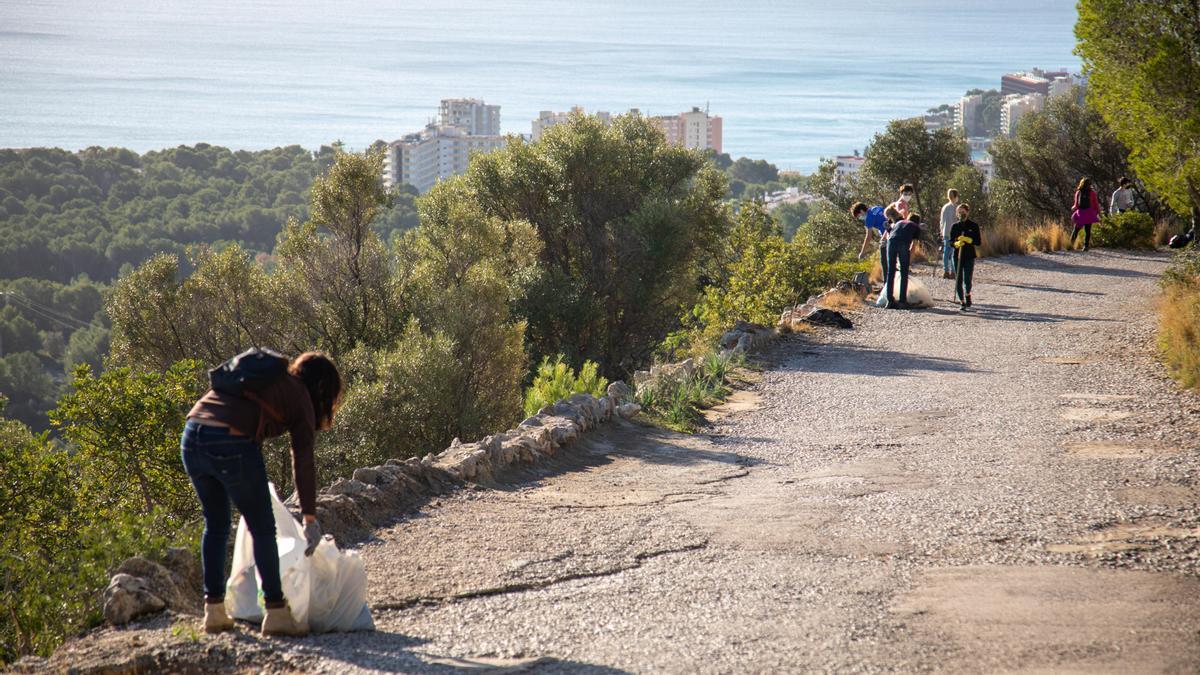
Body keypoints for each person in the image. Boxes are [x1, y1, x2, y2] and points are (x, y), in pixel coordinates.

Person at [182, 351, 343, 636]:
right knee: (263, 528)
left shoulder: (269, 380)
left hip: (193, 434)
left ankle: (214, 612)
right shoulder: (301, 396)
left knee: (216, 525)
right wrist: (309, 518)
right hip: (231, 442)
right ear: (322, 387)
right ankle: (276, 612)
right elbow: (303, 460)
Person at [949, 203, 983, 310]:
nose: (961, 214)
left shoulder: (973, 226)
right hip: (957, 256)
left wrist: (969, 240)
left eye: (963, 212)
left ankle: (968, 293)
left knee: (967, 279)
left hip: (969, 255)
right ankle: (962, 302)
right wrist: (956, 244)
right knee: (958, 278)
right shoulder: (955, 226)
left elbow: (978, 242)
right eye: (959, 212)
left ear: (967, 212)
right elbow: (951, 241)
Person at [886, 212, 922, 308]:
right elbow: (913, 246)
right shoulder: (916, 227)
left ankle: (889, 301)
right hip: (903, 243)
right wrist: (909, 260)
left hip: (891, 242)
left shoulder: (899, 222)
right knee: (904, 272)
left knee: (891, 272)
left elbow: (889, 232)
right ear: (918, 222)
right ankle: (902, 301)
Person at [1070, 177, 1101, 251]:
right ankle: (1086, 246)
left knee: (1076, 229)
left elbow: (1076, 205)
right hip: (1089, 213)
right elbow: (1096, 204)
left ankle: (1071, 244)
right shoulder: (1092, 193)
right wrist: (1098, 212)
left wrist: (1072, 208)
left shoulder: (1078, 192)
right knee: (1088, 230)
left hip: (1081, 213)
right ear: (1090, 184)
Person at [939, 189, 960, 279]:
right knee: (953, 253)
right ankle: (953, 272)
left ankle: (945, 271)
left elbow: (941, 221)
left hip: (945, 232)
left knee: (946, 252)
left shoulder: (944, 207)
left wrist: (941, 231)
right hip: (954, 233)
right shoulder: (956, 207)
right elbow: (957, 221)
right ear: (955, 197)